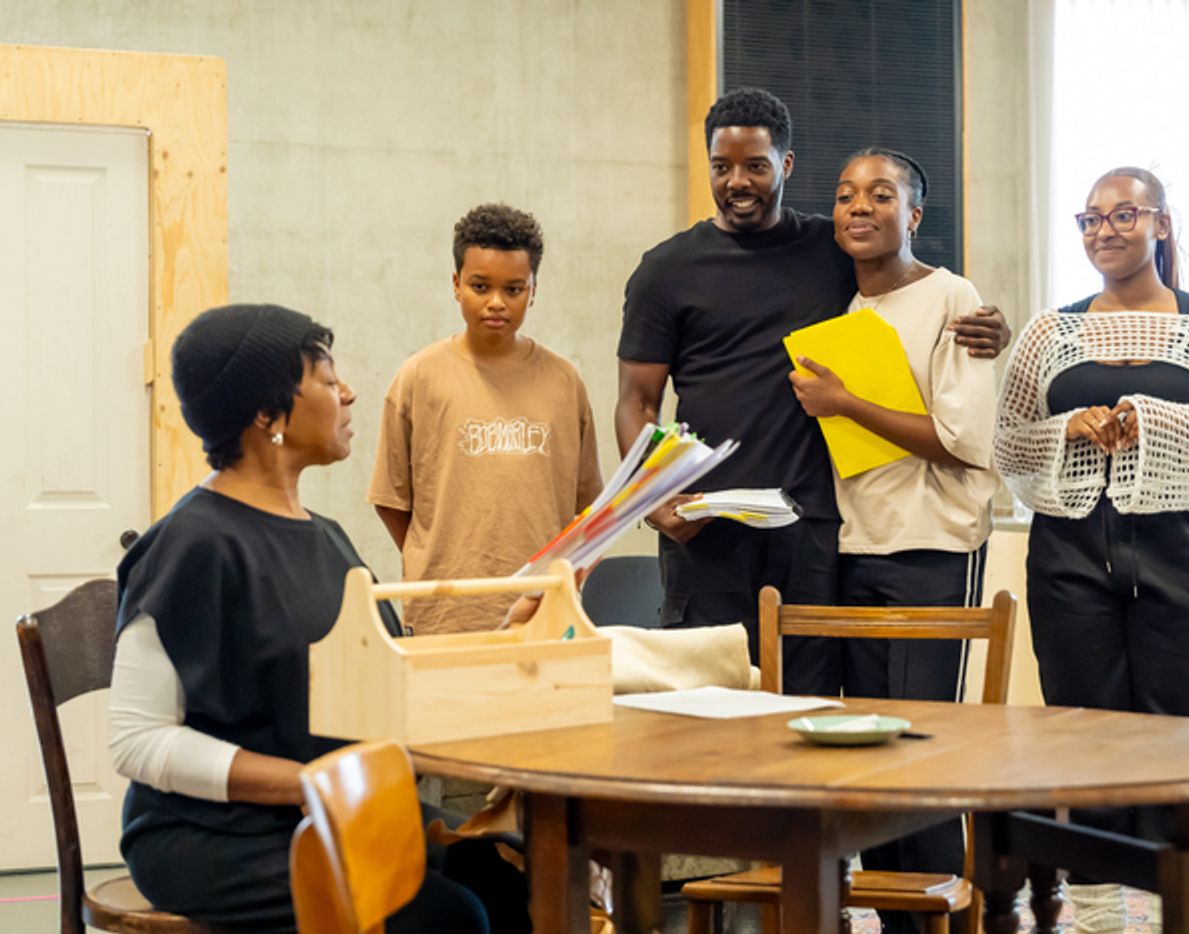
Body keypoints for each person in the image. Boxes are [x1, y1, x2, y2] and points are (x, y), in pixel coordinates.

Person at [108, 304, 527, 933]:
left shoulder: (326, 537)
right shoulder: (192, 543)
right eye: (329, 382)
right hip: (218, 833)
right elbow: (138, 741)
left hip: (335, 808)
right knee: (449, 918)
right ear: (265, 413)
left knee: (506, 878)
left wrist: (509, 634)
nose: (349, 392)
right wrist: (312, 783)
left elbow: (386, 672)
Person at [615, 87, 1009, 692]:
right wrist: (651, 495)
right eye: (722, 167)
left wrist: (988, 320)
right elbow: (637, 401)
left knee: (814, 710)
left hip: (815, 531)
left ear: (786, 166)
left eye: (756, 166)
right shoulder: (665, 270)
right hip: (707, 527)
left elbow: (911, 278)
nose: (737, 182)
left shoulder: (832, 248)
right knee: (708, 711)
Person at [994, 167, 1189, 931]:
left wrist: (1151, 420)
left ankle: (1167, 904)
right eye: (1089, 219)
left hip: (1174, 550)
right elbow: (1008, 444)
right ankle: (1092, 910)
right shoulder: (1048, 331)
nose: (1104, 231)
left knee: (1176, 724)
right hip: (1068, 553)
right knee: (1083, 727)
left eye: (1123, 215)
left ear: (1160, 224)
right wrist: (1072, 428)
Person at [787, 147, 998, 934]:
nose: (858, 207)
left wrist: (842, 402)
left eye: (881, 195)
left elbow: (960, 439)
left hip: (933, 549)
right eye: (844, 196)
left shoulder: (954, 299)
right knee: (872, 754)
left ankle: (943, 919)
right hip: (855, 550)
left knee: (922, 751)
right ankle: (898, 918)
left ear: (913, 215)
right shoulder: (846, 319)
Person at [369, 203, 603, 634]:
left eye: (513, 289)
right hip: (445, 611)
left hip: (543, 611)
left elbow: (587, 507)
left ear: (534, 290)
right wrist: (436, 557)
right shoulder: (419, 377)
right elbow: (391, 499)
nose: (496, 302)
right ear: (456, 285)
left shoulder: (564, 381)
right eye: (480, 286)